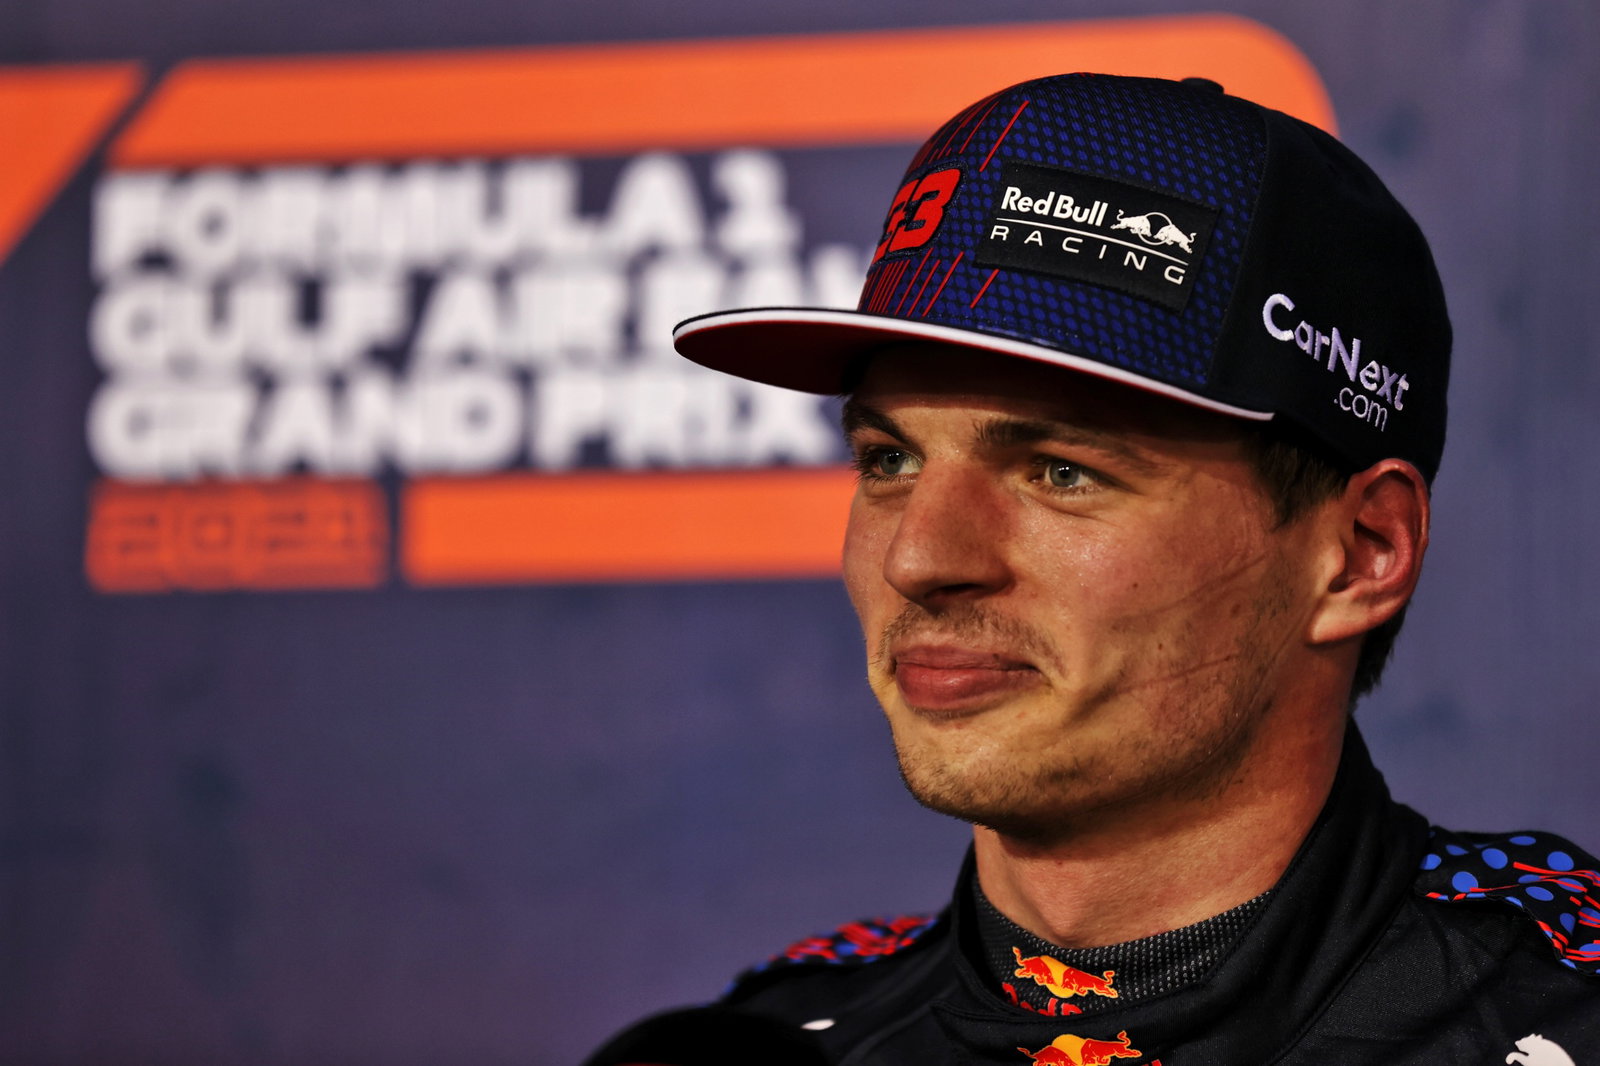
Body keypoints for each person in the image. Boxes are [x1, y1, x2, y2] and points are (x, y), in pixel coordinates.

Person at [588, 73, 1600, 1064]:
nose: (919, 556)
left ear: (1360, 556)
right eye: (889, 461)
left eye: (1059, 471)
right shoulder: (787, 1034)